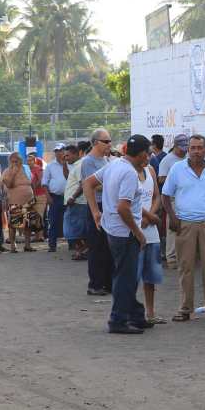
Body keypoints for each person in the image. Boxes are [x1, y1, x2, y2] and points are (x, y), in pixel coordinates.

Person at [87, 135, 155, 334]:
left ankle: (135, 314)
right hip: (124, 233)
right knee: (125, 278)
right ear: (142, 154)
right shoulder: (128, 173)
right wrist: (138, 232)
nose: (149, 156)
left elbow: (88, 183)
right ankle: (118, 319)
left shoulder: (114, 165)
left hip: (113, 230)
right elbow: (123, 208)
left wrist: (96, 212)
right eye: (148, 152)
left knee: (126, 276)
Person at [161, 134, 205, 321]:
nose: (196, 151)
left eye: (200, 148)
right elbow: (165, 196)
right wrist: (173, 218)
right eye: (193, 148)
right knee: (186, 267)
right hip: (185, 223)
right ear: (188, 150)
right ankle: (185, 309)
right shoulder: (177, 169)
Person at [81, 128, 114, 295]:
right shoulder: (88, 161)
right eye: (106, 141)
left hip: (107, 205)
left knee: (108, 246)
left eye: (110, 141)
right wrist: (113, 184)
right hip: (96, 206)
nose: (109, 144)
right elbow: (91, 185)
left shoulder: (107, 160)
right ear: (95, 143)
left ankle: (107, 282)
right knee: (97, 246)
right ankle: (95, 284)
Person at [136, 146, 165, 326]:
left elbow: (157, 196)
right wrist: (148, 216)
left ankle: (151, 312)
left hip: (150, 230)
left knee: (150, 276)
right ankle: (132, 311)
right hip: (134, 229)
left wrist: (150, 215)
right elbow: (126, 200)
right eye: (145, 155)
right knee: (133, 274)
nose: (148, 158)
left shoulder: (151, 170)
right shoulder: (128, 172)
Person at [158, 134, 190, 265]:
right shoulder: (167, 160)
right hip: (173, 198)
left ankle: (183, 255)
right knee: (173, 227)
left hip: (187, 197)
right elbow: (161, 179)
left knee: (187, 227)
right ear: (175, 146)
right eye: (181, 147)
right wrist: (177, 180)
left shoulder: (188, 158)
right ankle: (171, 257)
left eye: (185, 147)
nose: (184, 150)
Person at [2, 152, 36, 253]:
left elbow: (32, 182)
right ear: (10, 162)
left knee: (28, 224)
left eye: (17, 161)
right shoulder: (8, 171)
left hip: (28, 200)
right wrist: (13, 173)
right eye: (13, 161)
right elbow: (8, 185)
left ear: (21, 161)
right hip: (15, 201)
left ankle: (27, 245)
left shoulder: (26, 168)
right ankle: (13, 246)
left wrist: (34, 197)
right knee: (14, 225)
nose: (15, 163)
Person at [63, 141, 91, 261]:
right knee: (74, 232)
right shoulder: (75, 166)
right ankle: (82, 251)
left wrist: (73, 197)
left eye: (67, 155)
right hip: (75, 203)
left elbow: (83, 184)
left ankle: (84, 250)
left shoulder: (80, 165)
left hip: (78, 204)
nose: (65, 157)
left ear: (76, 154)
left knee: (74, 232)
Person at [42, 143, 70, 252]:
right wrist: (48, 196)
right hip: (55, 197)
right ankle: (52, 245)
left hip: (69, 197)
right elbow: (44, 182)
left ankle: (72, 244)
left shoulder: (71, 164)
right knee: (53, 221)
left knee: (69, 221)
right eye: (57, 151)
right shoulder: (50, 166)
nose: (59, 153)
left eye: (61, 150)